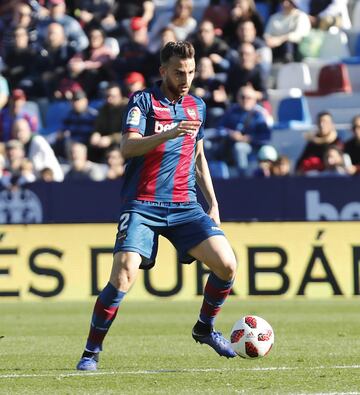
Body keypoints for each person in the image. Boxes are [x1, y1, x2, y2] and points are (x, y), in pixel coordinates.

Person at [76, 41, 238, 371]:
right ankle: (91, 351)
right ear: (163, 71)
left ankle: (204, 328)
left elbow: (198, 158)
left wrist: (214, 203)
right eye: (179, 72)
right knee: (123, 275)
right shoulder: (143, 102)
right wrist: (170, 133)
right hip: (143, 204)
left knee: (227, 265)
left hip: (184, 205)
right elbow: (127, 148)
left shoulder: (197, 107)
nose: (186, 78)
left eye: (191, 72)